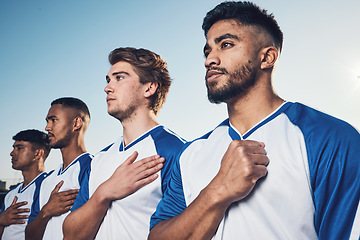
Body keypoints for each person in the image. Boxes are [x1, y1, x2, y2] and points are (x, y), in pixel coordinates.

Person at [149, 1, 360, 240]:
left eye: (225, 45)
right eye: (207, 51)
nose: (210, 60)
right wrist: (218, 191)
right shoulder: (189, 155)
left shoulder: (330, 137)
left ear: (267, 57)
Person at [62, 47, 186, 240]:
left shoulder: (177, 152)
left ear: (149, 87)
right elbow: (70, 234)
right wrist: (105, 192)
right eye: (108, 80)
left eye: (119, 78)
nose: (107, 87)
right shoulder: (99, 160)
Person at [25, 97, 93, 240]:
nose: (47, 127)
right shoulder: (46, 180)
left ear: (76, 123)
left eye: (53, 120)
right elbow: (29, 236)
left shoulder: (92, 167)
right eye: (47, 121)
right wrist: (46, 212)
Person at [0, 129, 51, 240]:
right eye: (14, 148)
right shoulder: (11, 193)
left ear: (38, 153)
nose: (12, 153)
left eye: (19, 148)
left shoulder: (48, 186)